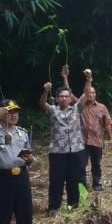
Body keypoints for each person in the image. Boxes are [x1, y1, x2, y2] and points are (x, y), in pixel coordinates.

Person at [40, 66, 85, 216]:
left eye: (67, 96)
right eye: (61, 96)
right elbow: (42, 104)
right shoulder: (53, 110)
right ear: (57, 98)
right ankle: (54, 207)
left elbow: (85, 95)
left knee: (75, 179)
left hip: (76, 150)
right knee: (56, 180)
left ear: (70, 98)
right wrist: (46, 91)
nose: (64, 98)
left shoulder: (76, 109)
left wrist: (89, 79)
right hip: (57, 152)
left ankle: (73, 205)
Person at [78, 69, 112, 191]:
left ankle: (96, 183)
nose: (91, 95)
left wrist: (111, 139)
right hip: (82, 141)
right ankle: (82, 187)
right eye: (89, 92)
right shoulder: (80, 106)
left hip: (97, 141)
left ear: (95, 95)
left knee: (96, 164)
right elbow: (70, 94)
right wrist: (88, 78)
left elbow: (107, 123)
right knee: (81, 165)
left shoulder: (102, 107)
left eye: (93, 93)